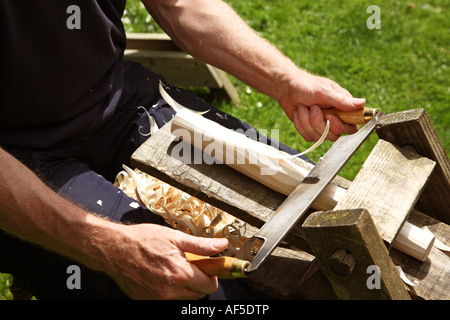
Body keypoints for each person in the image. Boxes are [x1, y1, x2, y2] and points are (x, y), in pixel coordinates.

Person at [0, 0, 365, 300]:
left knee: (320, 222)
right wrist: (111, 248)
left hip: (117, 101)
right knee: (209, 298)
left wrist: (283, 79)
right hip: (15, 159)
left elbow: (178, 4)